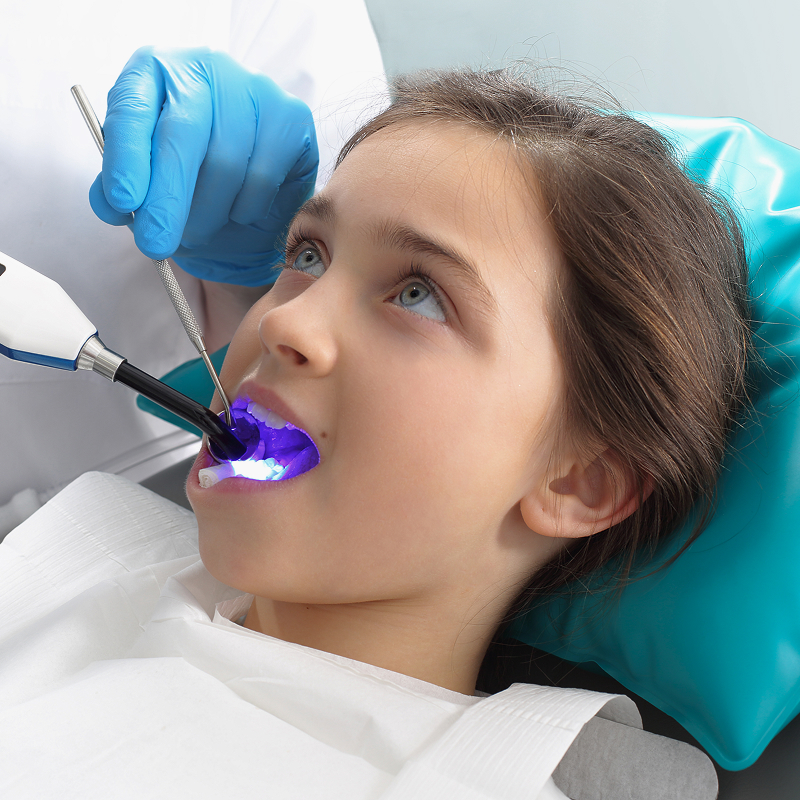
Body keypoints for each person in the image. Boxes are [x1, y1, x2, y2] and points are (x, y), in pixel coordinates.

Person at [0, 64, 746, 798]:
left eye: (418, 295)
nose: (282, 318)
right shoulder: (63, 549)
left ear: (578, 482)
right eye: (307, 256)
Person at [0, 0, 385, 515]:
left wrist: (257, 274)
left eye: (416, 295)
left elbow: (358, 221)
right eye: (308, 256)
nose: (287, 329)